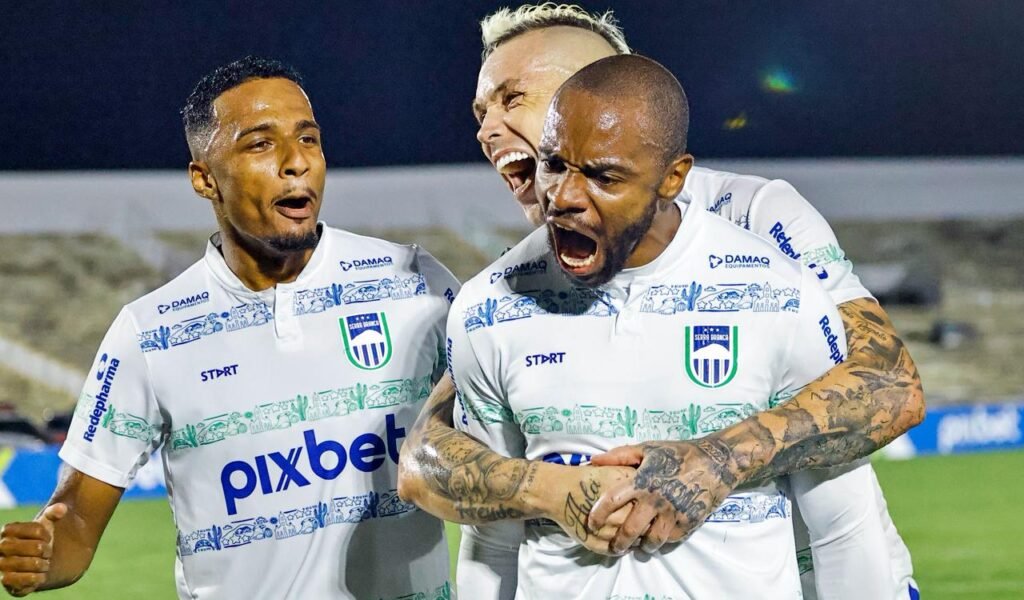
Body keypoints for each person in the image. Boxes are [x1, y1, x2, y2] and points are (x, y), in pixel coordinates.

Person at [398, 4, 922, 600]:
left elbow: (889, 386)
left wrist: (713, 461)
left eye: (511, 99)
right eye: (480, 111)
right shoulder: (507, 289)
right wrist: (551, 490)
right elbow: (433, 457)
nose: (486, 130)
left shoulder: (757, 222)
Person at [0, 56, 466, 599]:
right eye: (261, 144)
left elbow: (502, 424)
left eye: (309, 140)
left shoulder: (413, 282)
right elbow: (75, 520)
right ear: (205, 179)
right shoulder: (150, 333)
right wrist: (44, 552)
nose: (296, 162)